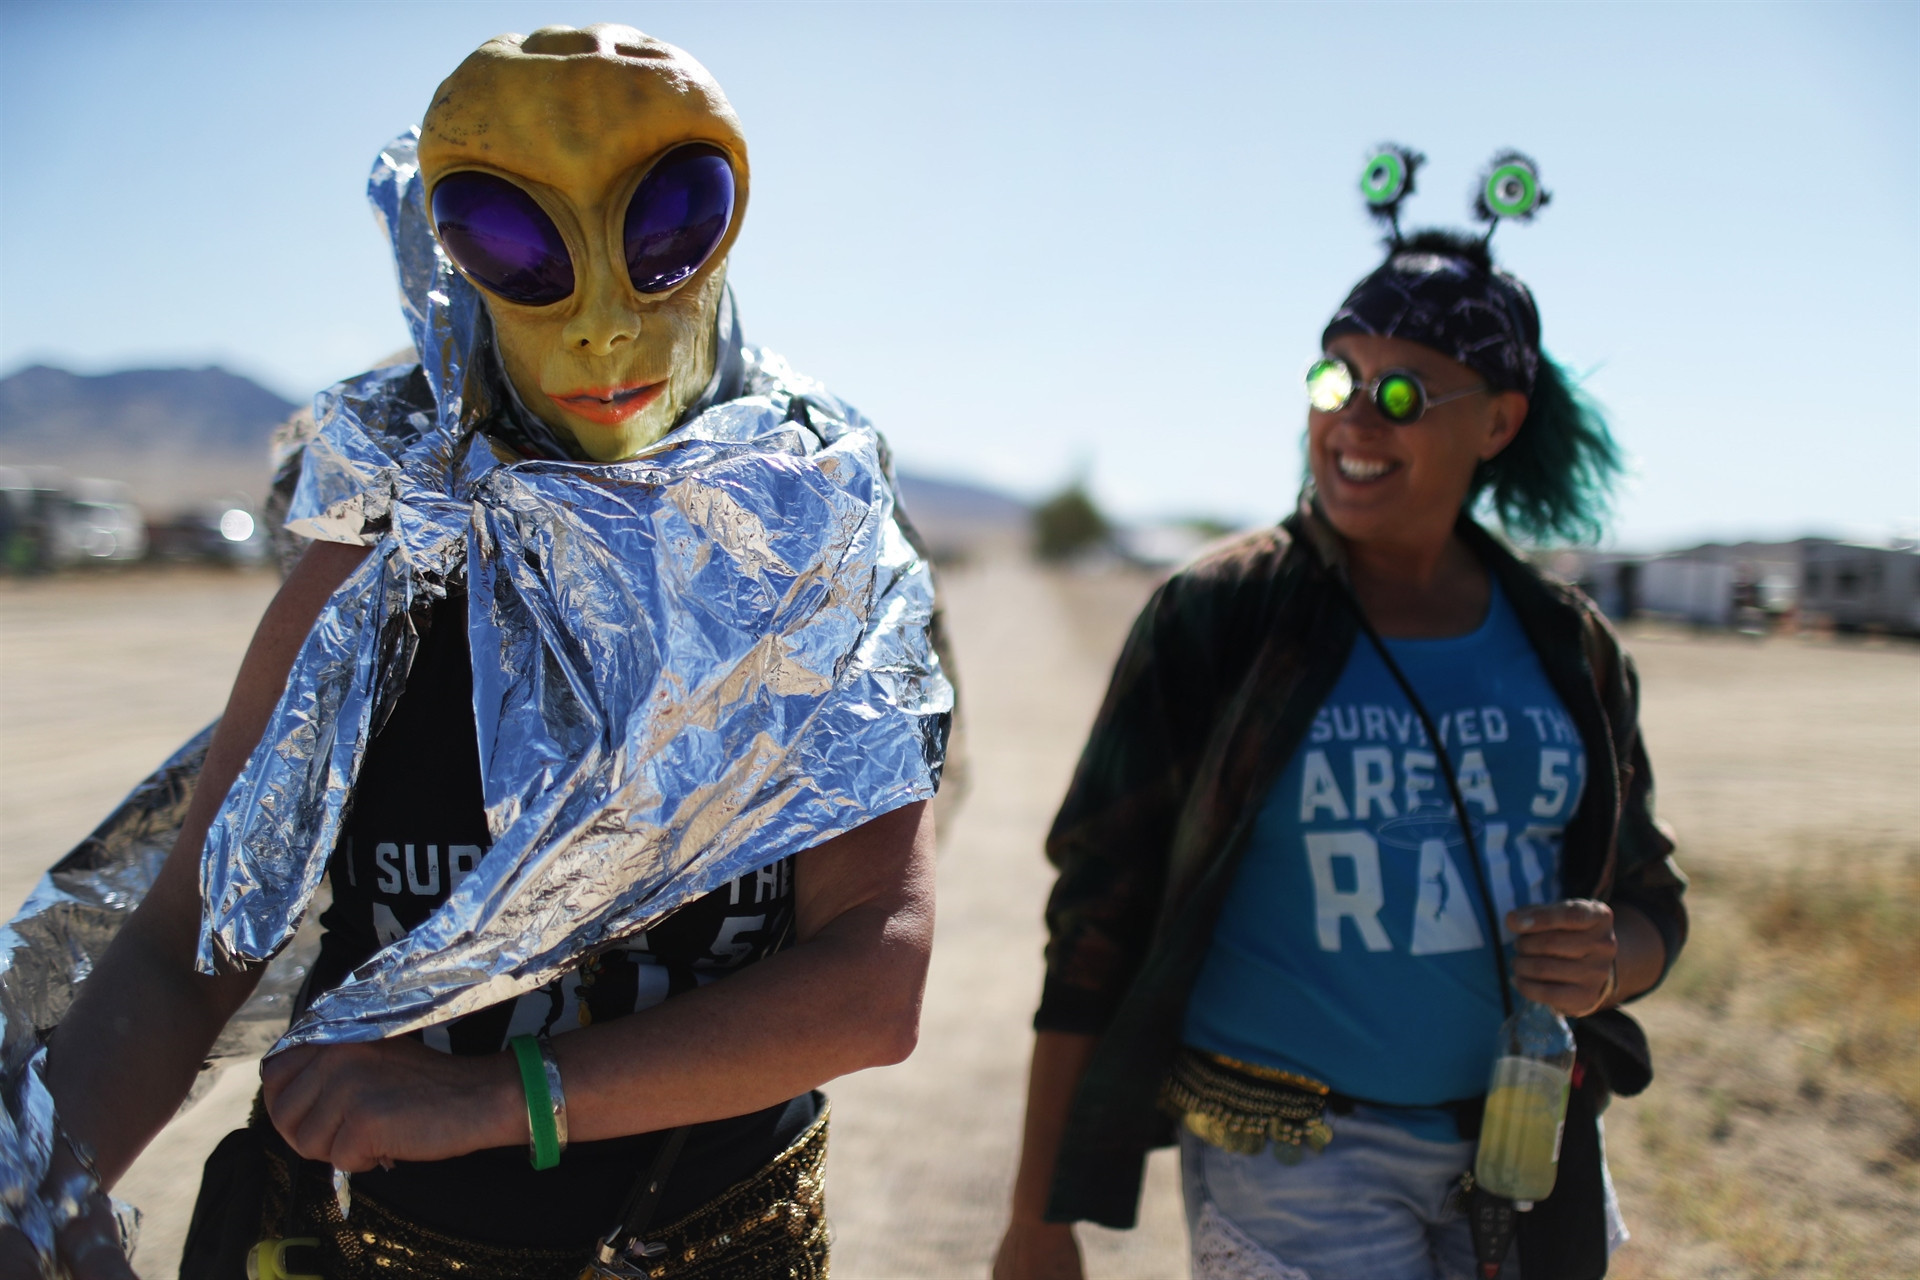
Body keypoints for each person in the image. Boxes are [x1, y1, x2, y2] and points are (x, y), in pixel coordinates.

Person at [6, 25, 950, 1280]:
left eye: (670, 221)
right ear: (457, 255)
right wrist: (34, 1195)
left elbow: (874, 975)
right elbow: (188, 946)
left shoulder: (812, 551)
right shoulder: (384, 557)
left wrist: (505, 1096)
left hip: (713, 1244)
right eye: (519, 243)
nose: (607, 323)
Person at [992, 150, 1687, 1280]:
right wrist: (1038, 1217)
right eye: (1335, 379)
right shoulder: (1221, 618)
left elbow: (1650, 897)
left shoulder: (1567, 643)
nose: (1355, 416)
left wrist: (1619, 958)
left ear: (1499, 420)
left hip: (1526, 1149)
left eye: (1403, 391)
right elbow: (1095, 920)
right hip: (1290, 1158)